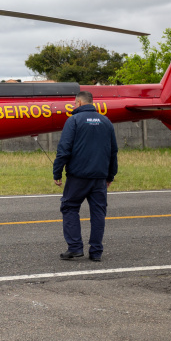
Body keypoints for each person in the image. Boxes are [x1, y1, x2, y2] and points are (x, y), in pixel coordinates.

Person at [52, 91, 118, 262]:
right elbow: (113, 152)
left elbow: (64, 149)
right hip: (99, 177)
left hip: (78, 176)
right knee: (98, 213)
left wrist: (57, 172)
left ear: (80, 103)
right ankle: (96, 252)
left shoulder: (73, 120)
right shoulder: (106, 121)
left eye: (75, 103)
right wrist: (110, 175)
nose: (74, 106)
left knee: (70, 207)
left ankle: (75, 247)